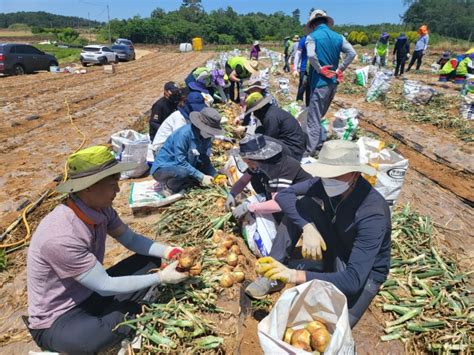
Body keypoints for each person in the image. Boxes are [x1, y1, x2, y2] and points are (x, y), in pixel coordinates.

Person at [26, 145, 188, 353]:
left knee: (151, 261)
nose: (118, 190)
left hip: (90, 290)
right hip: (59, 317)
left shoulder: (101, 209)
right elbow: (104, 284)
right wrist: (161, 279)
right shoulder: (60, 235)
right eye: (113, 184)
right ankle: (124, 312)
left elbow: (130, 239)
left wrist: (168, 252)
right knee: (98, 337)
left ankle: (122, 310)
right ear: (88, 187)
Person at [249, 140, 391, 328]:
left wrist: (293, 275)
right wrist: (308, 227)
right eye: (326, 173)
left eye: (336, 175)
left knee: (332, 328)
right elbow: (284, 196)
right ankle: (274, 274)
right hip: (337, 241)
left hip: (363, 273)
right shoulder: (325, 183)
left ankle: (311, 269)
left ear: (356, 174)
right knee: (301, 205)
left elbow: (353, 280)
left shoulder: (373, 213)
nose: (329, 179)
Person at [304, 9, 356, 155]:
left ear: (313, 24)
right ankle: (318, 141)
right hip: (333, 83)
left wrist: (320, 69)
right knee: (319, 114)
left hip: (320, 82)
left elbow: (310, 55)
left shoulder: (312, 37)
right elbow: (352, 53)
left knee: (313, 117)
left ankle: (310, 151)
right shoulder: (338, 37)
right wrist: (340, 69)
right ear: (326, 22)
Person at [225, 134, 311, 221]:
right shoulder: (258, 165)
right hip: (282, 197)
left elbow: (280, 204)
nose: (249, 166)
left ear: (259, 158)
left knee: (284, 229)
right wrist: (232, 194)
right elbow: (244, 180)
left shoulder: (281, 167)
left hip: (304, 202)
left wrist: (250, 207)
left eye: (249, 162)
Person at [151, 107, 224, 194]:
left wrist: (215, 175)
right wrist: (201, 177)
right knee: (184, 172)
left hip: (185, 165)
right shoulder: (183, 134)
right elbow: (181, 162)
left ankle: (183, 182)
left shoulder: (206, 137)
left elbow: (204, 158)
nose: (211, 133)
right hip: (164, 169)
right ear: (201, 126)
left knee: (196, 171)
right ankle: (169, 187)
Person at [244, 92, 306, 161]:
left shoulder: (270, 117)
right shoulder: (271, 110)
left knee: (262, 142)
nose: (254, 114)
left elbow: (269, 138)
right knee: (259, 130)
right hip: (293, 146)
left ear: (259, 109)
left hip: (293, 152)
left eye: (254, 111)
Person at [150, 91, 207, 157]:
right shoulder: (179, 117)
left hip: (173, 146)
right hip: (161, 149)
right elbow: (179, 142)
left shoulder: (191, 117)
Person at [293, 35, 311, 106]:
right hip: (304, 69)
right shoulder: (304, 39)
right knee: (302, 87)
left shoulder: (316, 38)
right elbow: (298, 54)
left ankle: (308, 107)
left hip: (313, 70)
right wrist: (295, 68)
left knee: (310, 90)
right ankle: (298, 105)